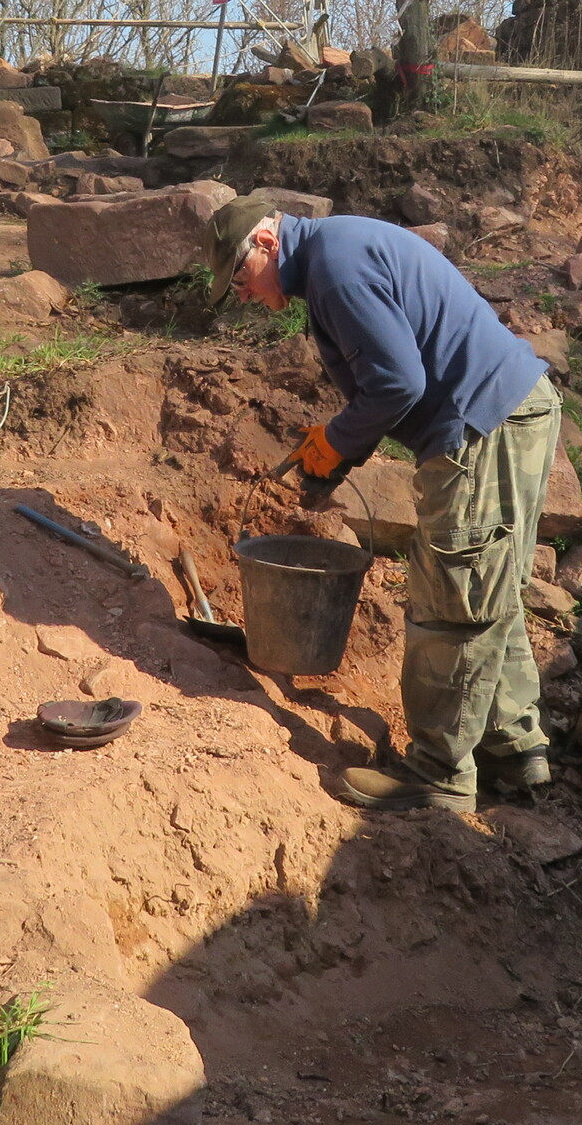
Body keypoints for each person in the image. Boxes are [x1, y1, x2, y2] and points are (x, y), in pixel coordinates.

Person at [204, 192, 560, 812]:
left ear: (265, 242)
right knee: (488, 586)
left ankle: (439, 772)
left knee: (453, 601)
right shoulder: (337, 251)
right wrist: (339, 445)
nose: (242, 294)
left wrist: (338, 441)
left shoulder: (336, 267)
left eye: (239, 278)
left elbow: (398, 383)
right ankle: (513, 745)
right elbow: (394, 377)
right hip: (508, 413)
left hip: (482, 425)